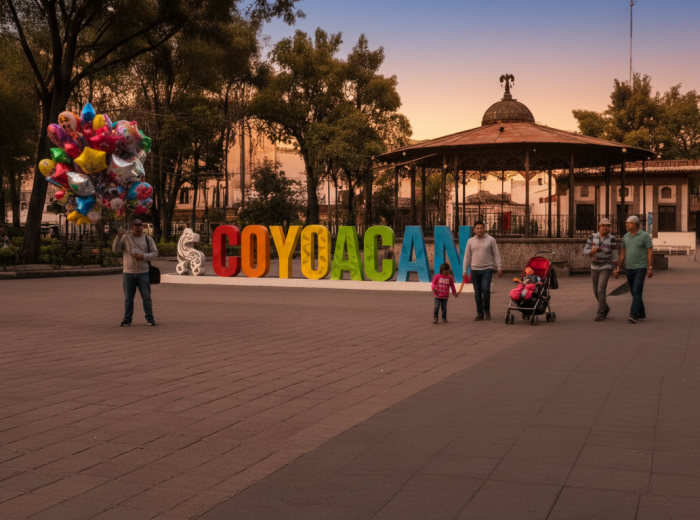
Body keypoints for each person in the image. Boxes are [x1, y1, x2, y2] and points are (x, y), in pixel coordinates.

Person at [113, 219, 158, 327]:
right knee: (128, 298)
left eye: (140, 225)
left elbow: (155, 253)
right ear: (131, 227)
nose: (138, 227)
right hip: (128, 272)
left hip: (143, 272)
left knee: (146, 297)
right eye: (136, 225)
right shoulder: (126, 238)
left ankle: (150, 318)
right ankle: (127, 319)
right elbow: (116, 250)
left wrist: (143, 256)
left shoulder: (148, 239)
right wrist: (118, 237)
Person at [459, 220, 503, 320]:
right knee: (477, 292)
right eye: (477, 228)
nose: (480, 230)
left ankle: (486, 309)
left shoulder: (491, 239)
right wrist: (464, 271)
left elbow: (496, 254)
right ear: (474, 230)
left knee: (485, 289)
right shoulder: (470, 241)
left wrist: (499, 267)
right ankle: (480, 313)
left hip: (487, 269)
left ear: (485, 228)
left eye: (481, 228)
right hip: (474, 270)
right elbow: (467, 257)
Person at [614, 215, 653, 324]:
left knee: (636, 290)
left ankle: (633, 314)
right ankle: (641, 312)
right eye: (626, 223)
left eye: (629, 223)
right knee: (634, 291)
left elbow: (650, 252)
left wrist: (650, 268)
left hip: (641, 267)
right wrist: (618, 267)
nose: (626, 225)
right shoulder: (626, 237)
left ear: (635, 224)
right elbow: (622, 252)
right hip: (629, 268)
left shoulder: (644, 236)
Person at [583, 218, 618, 321]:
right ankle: (605, 307)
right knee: (595, 291)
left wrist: (615, 268)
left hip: (606, 266)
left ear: (609, 227)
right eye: (603, 226)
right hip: (594, 266)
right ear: (599, 227)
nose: (605, 228)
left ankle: (600, 313)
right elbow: (585, 250)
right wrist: (591, 251)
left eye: (607, 226)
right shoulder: (593, 236)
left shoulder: (612, 238)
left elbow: (615, 254)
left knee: (601, 289)